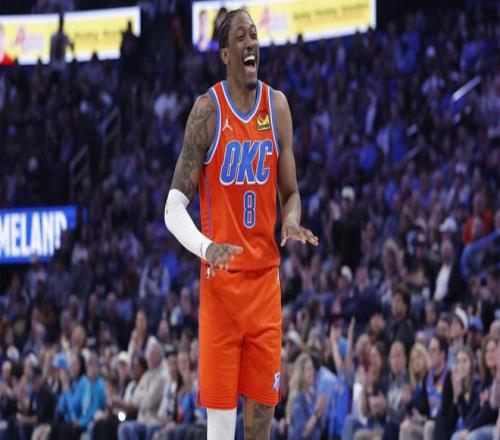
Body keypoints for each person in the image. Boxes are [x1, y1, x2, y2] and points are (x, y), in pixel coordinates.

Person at [164, 8, 318, 440]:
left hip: (265, 287)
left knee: (260, 425)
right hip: (221, 288)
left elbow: (291, 193)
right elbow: (172, 208)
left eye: (255, 34)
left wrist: (291, 220)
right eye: (241, 37)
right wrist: (206, 246)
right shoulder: (207, 111)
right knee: (220, 431)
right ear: (226, 54)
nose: (252, 42)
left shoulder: (278, 107)